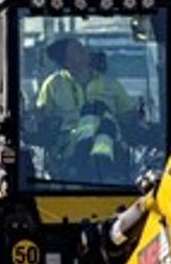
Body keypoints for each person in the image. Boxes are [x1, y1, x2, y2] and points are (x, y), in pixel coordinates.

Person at [34, 36, 132, 171]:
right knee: (92, 112)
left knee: (101, 117)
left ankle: (99, 158)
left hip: (111, 148)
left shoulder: (110, 84)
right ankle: (86, 155)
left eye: (82, 47)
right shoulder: (53, 85)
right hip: (69, 150)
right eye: (77, 49)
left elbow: (128, 115)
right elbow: (42, 118)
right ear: (66, 61)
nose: (84, 51)